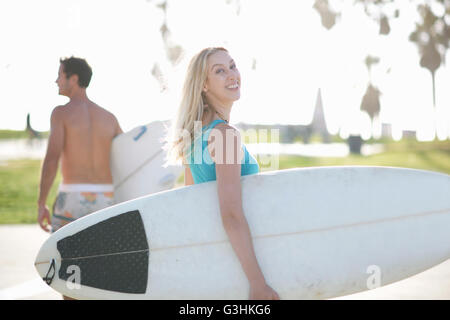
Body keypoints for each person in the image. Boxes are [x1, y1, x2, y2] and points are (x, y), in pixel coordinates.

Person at [168, 47, 280, 300]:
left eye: (232, 66)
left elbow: (191, 202)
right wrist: (257, 283)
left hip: (219, 266)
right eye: (219, 71)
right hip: (241, 269)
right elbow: (231, 214)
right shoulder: (224, 135)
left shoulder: (193, 136)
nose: (232, 75)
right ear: (204, 85)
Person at [37, 57, 123, 298]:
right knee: (100, 273)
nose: (56, 80)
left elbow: (52, 159)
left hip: (73, 198)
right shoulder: (109, 117)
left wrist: (41, 202)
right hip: (106, 199)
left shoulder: (61, 113)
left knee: (69, 277)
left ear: (73, 79)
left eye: (60, 75)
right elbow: (126, 161)